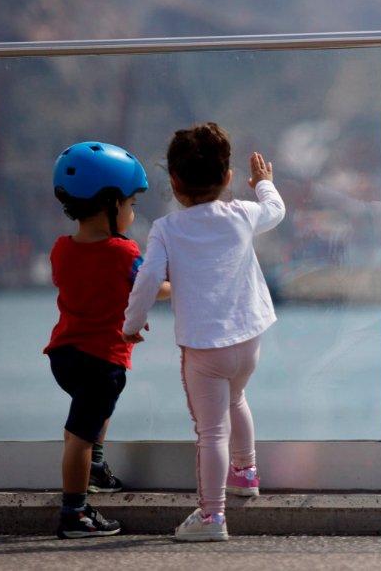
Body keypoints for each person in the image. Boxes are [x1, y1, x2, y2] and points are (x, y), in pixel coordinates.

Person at [122, 122, 285, 542]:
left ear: (174, 183)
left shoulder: (166, 229)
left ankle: (213, 517)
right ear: (228, 178)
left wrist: (131, 324)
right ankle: (246, 472)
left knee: (211, 432)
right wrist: (263, 184)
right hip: (248, 340)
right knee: (237, 398)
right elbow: (275, 210)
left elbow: (148, 279)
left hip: (205, 350)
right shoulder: (242, 213)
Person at [46, 141, 171, 539]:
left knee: (92, 416)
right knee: (78, 438)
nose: (133, 211)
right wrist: (185, 282)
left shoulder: (61, 249)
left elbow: (92, 291)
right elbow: (151, 288)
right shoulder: (122, 251)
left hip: (64, 356)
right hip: (100, 361)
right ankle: (75, 514)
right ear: (110, 203)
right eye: (131, 203)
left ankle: (96, 468)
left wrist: (124, 313)